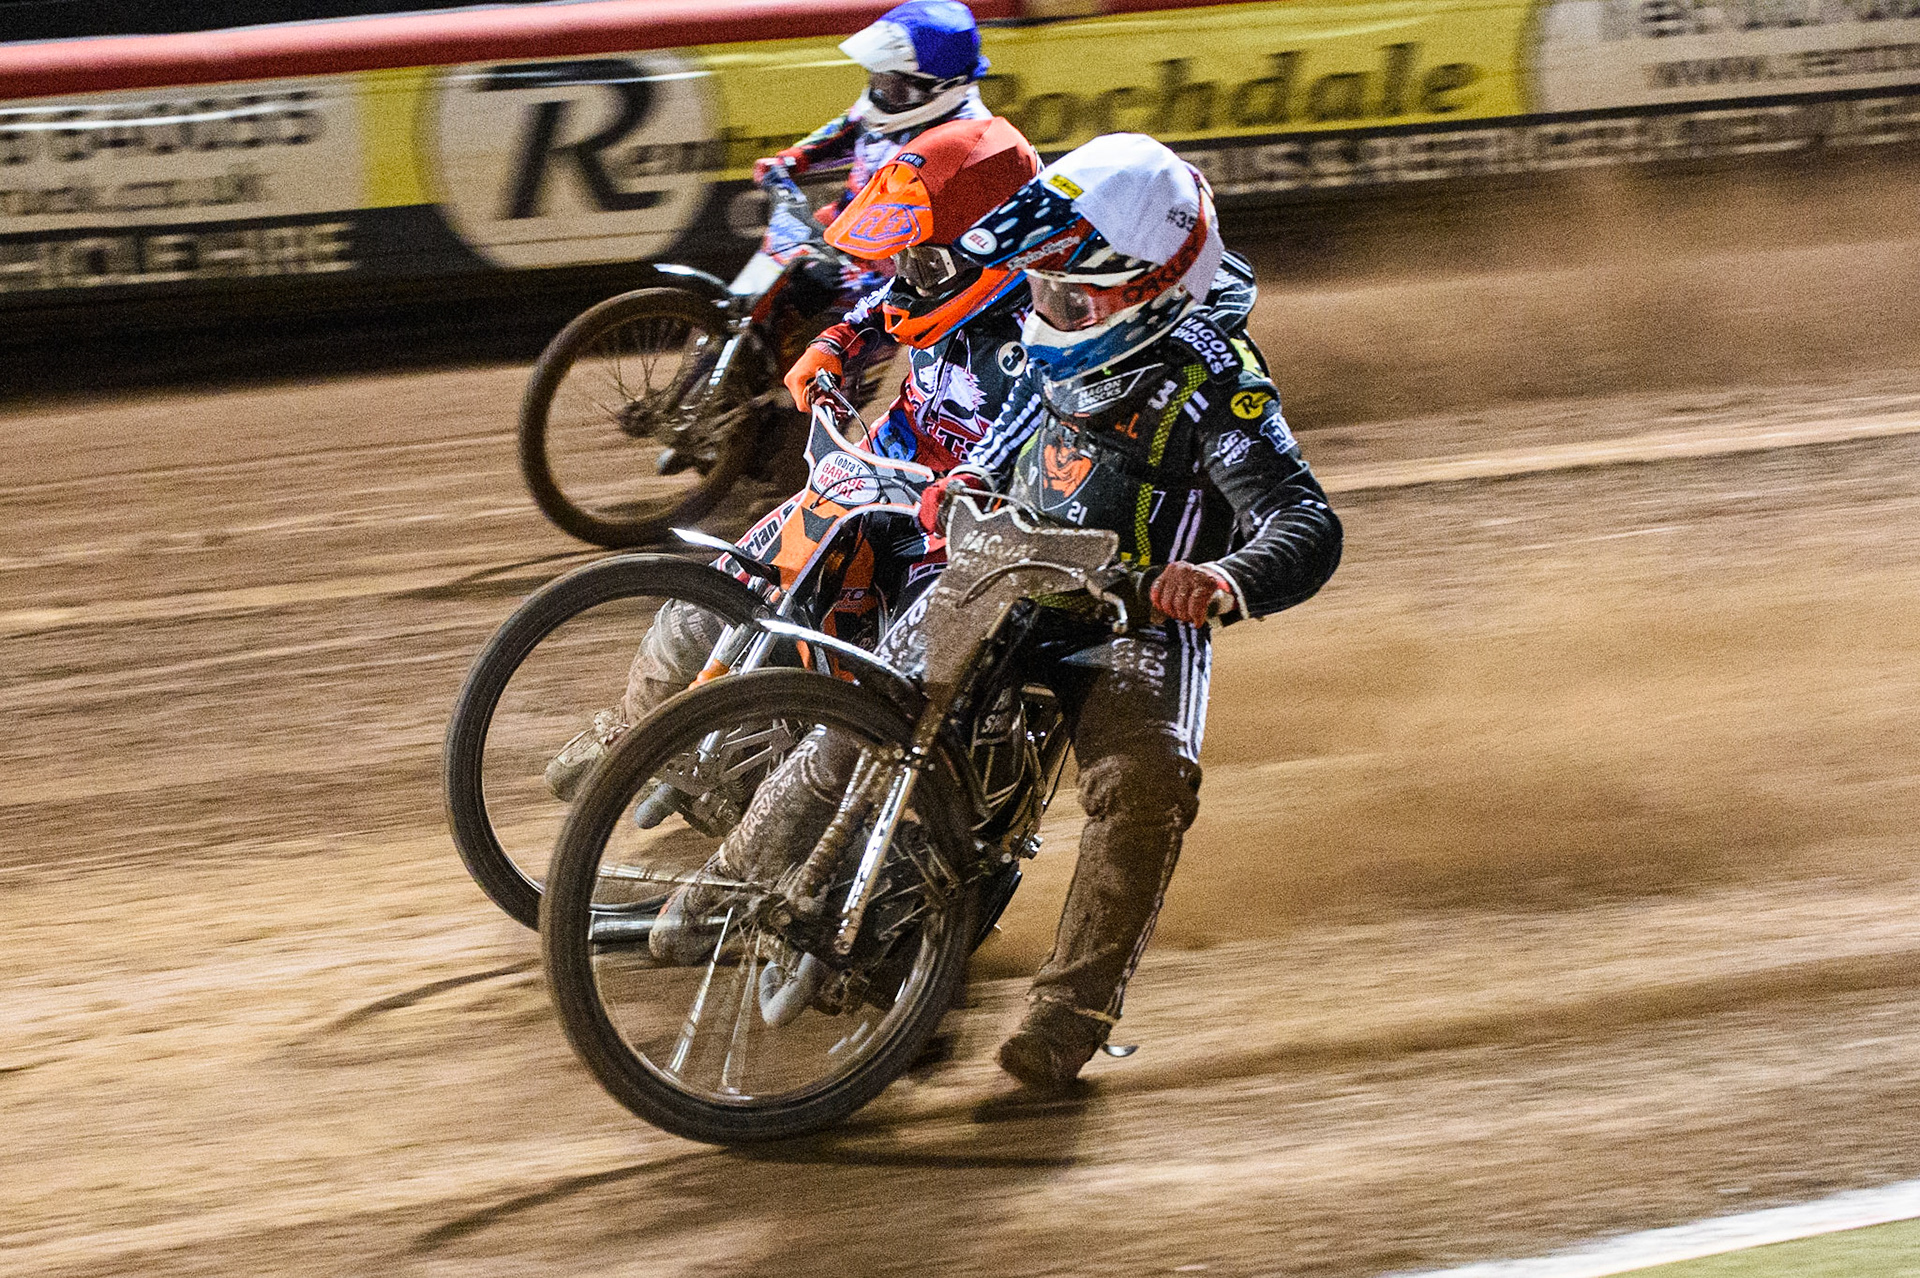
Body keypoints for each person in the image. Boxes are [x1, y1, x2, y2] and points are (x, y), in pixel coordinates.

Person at [652, 132, 1344, 1094]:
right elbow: (1002, 433)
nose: (1049, 311)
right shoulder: (1064, 337)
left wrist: (1221, 581)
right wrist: (960, 483)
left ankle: (1071, 1015)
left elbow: (1304, 519)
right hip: (1010, 564)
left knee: (1145, 785)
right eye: (1045, 290)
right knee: (864, 707)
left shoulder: (1215, 380)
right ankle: (726, 878)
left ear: (1151, 285)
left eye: (1072, 296)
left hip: (1135, 619)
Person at [544, 115, 1040, 800]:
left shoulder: (1053, 333)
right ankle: (629, 729)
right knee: (719, 595)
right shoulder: (931, 275)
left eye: (925, 263)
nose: (908, 279)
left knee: (901, 706)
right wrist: (837, 339)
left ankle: (850, 836)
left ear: (998, 247)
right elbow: (884, 302)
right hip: (880, 472)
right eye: (906, 259)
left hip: (962, 529)